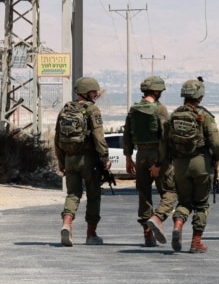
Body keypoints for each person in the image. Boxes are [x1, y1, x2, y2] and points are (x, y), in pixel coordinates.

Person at [165, 78, 219, 253]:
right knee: (202, 204)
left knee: (184, 201)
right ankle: (196, 242)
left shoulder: (174, 116)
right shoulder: (204, 116)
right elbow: (216, 143)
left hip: (180, 165)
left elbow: (166, 141)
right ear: (200, 96)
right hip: (201, 163)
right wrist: (217, 159)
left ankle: (178, 223)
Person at [54, 77, 110, 247]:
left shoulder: (65, 109)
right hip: (89, 160)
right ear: (86, 93)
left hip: (70, 159)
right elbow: (98, 137)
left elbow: (57, 138)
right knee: (93, 196)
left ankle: (67, 224)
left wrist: (61, 161)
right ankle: (91, 234)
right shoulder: (92, 110)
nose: (96, 95)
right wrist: (105, 158)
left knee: (73, 194)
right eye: (94, 92)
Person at [123, 76, 177, 247]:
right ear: (155, 91)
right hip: (157, 155)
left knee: (144, 193)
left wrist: (128, 158)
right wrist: (159, 164)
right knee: (170, 192)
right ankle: (157, 218)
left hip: (140, 156)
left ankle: (147, 235)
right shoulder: (160, 109)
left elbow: (127, 134)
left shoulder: (134, 109)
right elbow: (165, 138)